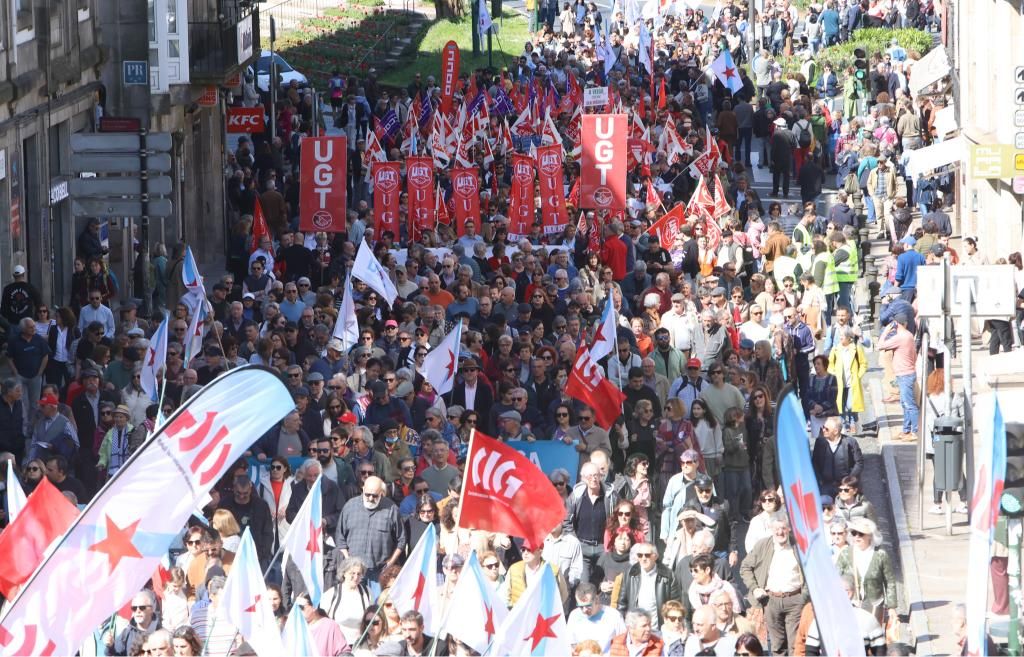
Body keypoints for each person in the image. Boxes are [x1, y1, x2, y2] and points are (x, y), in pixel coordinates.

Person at [740, 517, 807, 655]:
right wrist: (755, 588)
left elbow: (811, 570)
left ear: (789, 529)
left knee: (796, 644)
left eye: (783, 528)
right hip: (771, 600)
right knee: (777, 645)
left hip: (795, 599)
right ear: (771, 530)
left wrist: (804, 596)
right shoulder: (763, 545)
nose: (780, 532)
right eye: (776, 529)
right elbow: (745, 567)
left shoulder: (798, 545)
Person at [336, 475, 406, 583]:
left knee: (377, 600)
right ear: (362, 489)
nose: (370, 498)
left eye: (374, 496)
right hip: (353, 570)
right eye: (367, 494)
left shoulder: (392, 509)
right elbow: (340, 537)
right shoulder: (350, 507)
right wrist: (347, 559)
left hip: (379, 572)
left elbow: (401, 540)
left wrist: (390, 562)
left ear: (382, 493)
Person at [564, 460, 619, 586]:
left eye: (596, 475)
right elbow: (566, 521)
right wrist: (574, 540)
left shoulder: (611, 496)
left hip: (603, 547)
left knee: (604, 585)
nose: (593, 479)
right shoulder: (576, 496)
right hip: (582, 547)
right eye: (589, 476)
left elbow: (618, 518)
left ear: (600, 476)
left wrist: (612, 541)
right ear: (583, 478)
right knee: (584, 585)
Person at [835, 517, 898, 626]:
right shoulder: (845, 553)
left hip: (874, 604)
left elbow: (890, 581)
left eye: (861, 534)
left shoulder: (880, 555)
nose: (857, 537)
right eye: (854, 533)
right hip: (850, 603)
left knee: (873, 636)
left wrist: (891, 607)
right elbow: (835, 579)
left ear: (870, 535)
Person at [614, 542, 680, 630]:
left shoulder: (668, 575)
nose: (643, 558)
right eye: (640, 555)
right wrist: (622, 627)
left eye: (647, 555)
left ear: (655, 556)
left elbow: (675, 605)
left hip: (659, 629)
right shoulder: (630, 574)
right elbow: (621, 604)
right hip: (636, 630)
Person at [876, 314, 919, 441]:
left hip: (904, 374)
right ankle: (906, 431)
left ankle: (915, 432)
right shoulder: (909, 335)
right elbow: (914, 355)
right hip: (906, 373)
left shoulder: (900, 337)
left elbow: (879, 345)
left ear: (896, 324)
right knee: (905, 404)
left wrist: (886, 330)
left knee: (909, 404)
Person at [319, 556, 373, 644]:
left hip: (361, 644)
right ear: (344, 573)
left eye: (359, 574)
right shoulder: (331, 594)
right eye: (352, 573)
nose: (356, 577)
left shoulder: (367, 592)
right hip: (337, 644)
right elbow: (322, 621)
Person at [811, 416, 864, 498]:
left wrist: (849, 480)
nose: (823, 430)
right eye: (823, 427)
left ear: (835, 431)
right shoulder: (820, 442)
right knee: (825, 506)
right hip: (826, 485)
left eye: (826, 429)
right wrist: (819, 479)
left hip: (844, 486)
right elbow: (814, 462)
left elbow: (859, 463)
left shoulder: (850, 443)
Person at [566, 582, 626, 652]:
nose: (584, 610)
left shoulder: (613, 616)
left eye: (588, 606)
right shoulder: (574, 615)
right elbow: (570, 644)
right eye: (581, 607)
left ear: (597, 599)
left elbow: (623, 643)